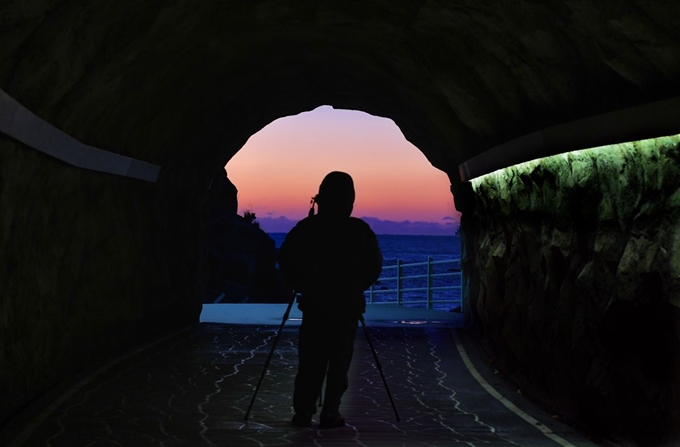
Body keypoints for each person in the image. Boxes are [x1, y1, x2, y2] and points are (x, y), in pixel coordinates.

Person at [278, 171, 382, 428]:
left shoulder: (307, 228)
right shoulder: (359, 231)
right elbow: (374, 266)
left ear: (320, 199)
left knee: (310, 361)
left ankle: (303, 412)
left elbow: (286, 259)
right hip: (346, 307)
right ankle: (330, 412)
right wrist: (356, 286)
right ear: (349, 202)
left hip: (315, 306)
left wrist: (301, 283)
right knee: (339, 361)